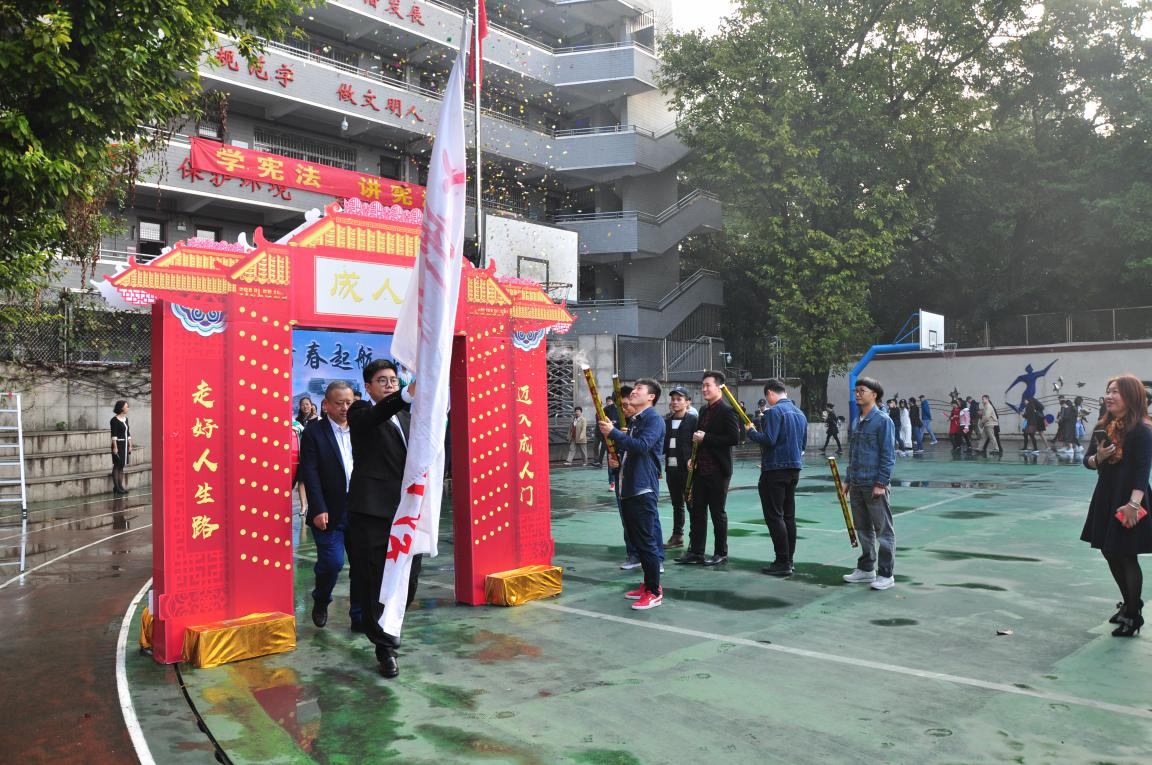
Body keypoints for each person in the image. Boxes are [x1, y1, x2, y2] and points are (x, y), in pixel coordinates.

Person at [346, 359, 416, 679]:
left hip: (407, 511)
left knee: (408, 580)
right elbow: (379, 413)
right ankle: (384, 647)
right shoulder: (360, 411)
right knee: (376, 579)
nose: (389, 385)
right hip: (372, 511)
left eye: (393, 380)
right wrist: (405, 394)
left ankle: (384, 628)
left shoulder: (407, 417)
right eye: (382, 380)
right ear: (368, 386)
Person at [1081, 374, 1152, 637]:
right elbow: (1087, 461)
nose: (1109, 396)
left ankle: (1133, 616)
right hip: (1106, 496)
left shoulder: (1142, 429)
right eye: (1108, 391)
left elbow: (1143, 470)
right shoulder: (1104, 425)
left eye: (1116, 392)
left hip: (1130, 497)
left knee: (1126, 554)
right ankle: (1131, 603)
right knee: (1108, 550)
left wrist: (1133, 504)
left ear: (1130, 396)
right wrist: (1098, 457)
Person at [599, 379, 666, 610]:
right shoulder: (637, 420)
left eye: (639, 389)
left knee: (646, 541)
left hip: (642, 488)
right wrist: (617, 459)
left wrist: (614, 433)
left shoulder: (654, 419)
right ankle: (647, 584)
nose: (634, 392)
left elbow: (643, 446)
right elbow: (632, 450)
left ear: (651, 397)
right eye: (634, 388)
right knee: (637, 540)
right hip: (629, 487)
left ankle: (654, 591)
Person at [299, 381, 360, 631]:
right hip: (328, 510)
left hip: (360, 507)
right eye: (339, 403)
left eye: (349, 403)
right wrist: (318, 507)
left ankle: (359, 616)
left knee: (362, 565)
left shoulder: (361, 428)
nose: (345, 408)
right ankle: (321, 598)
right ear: (326, 405)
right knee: (332, 563)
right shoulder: (314, 432)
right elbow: (310, 473)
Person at [677, 371, 740, 566]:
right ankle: (696, 552)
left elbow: (734, 438)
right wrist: (692, 459)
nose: (704, 389)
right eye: (703, 385)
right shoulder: (703, 410)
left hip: (718, 470)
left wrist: (707, 438)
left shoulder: (727, 410)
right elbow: (698, 438)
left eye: (708, 385)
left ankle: (721, 553)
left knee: (717, 513)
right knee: (697, 511)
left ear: (719, 387)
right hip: (700, 470)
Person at [746, 379, 807, 576]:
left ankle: (782, 561)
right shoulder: (800, 414)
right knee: (788, 516)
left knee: (774, 516)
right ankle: (789, 559)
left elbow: (769, 439)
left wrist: (751, 432)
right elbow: (803, 445)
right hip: (794, 468)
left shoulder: (774, 412)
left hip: (775, 469)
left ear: (770, 393)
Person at [843, 377, 897, 591]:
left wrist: (881, 483)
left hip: (874, 484)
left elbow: (888, 455)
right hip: (857, 484)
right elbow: (853, 454)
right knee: (863, 528)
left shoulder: (883, 421)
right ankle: (866, 569)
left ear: (874, 395)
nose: (857, 394)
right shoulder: (857, 421)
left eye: (862, 391)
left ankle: (886, 574)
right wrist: (848, 480)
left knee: (883, 531)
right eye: (856, 391)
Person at [663, 386, 697, 549]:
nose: (675, 402)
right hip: (671, 470)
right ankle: (677, 536)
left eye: (679, 399)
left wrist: (694, 462)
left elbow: (698, 445)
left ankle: (694, 539)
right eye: (673, 399)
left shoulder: (693, 421)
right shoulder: (667, 421)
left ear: (687, 402)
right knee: (677, 504)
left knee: (692, 505)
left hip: (687, 471)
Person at [110, 400, 131, 495]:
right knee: (117, 465)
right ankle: (116, 487)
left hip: (125, 445)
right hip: (118, 445)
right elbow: (113, 435)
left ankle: (120, 486)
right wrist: (115, 447)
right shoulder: (114, 420)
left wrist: (130, 445)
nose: (128, 408)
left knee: (121, 466)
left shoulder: (126, 419)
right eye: (126, 406)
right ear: (121, 408)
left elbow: (128, 433)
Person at [596, 396, 618, 467]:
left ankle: (615, 462)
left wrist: (616, 422)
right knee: (604, 447)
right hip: (607, 431)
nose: (609, 402)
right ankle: (600, 462)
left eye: (610, 401)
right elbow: (600, 418)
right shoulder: (606, 409)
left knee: (614, 448)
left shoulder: (619, 408)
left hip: (616, 430)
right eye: (607, 401)